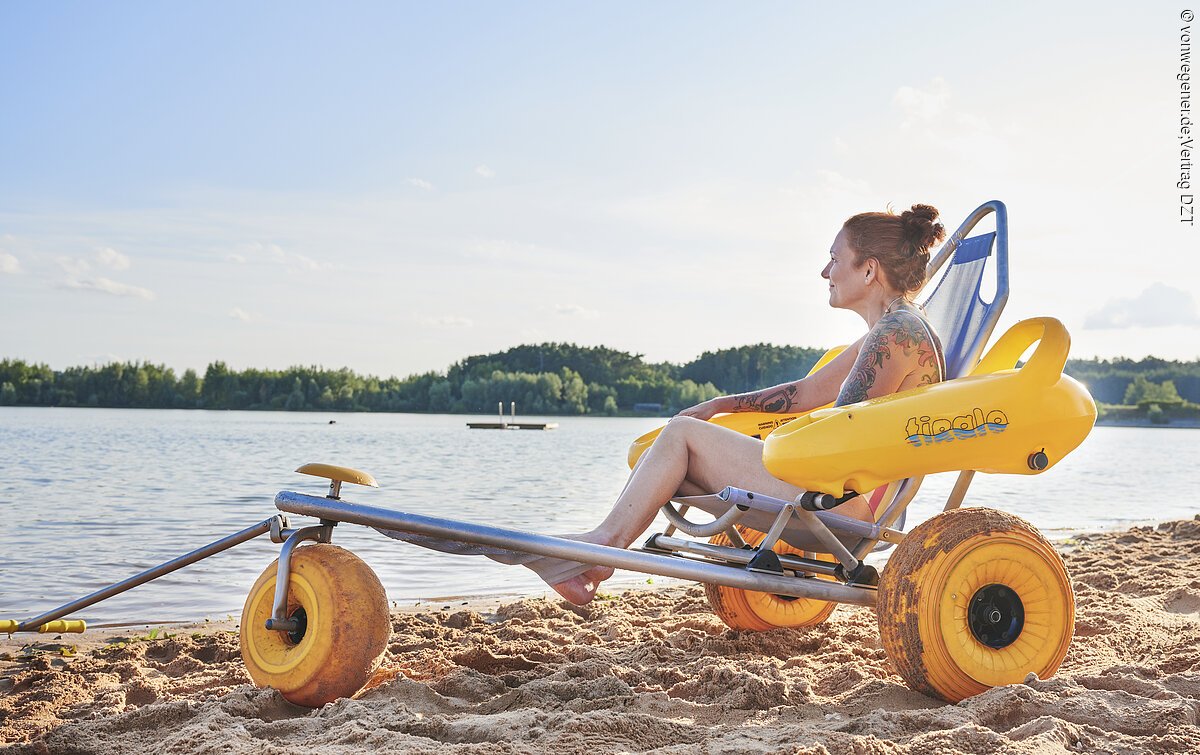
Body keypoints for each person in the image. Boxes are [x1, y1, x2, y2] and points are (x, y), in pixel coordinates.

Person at [544, 204, 947, 605]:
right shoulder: (896, 327)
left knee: (681, 436)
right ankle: (599, 552)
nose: (826, 272)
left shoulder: (895, 333)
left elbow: (844, 435)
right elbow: (807, 393)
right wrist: (720, 405)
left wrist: (771, 446)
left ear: (869, 270)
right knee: (670, 457)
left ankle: (602, 548)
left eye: (834, 259)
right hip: (844, 498)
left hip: (847, 507)